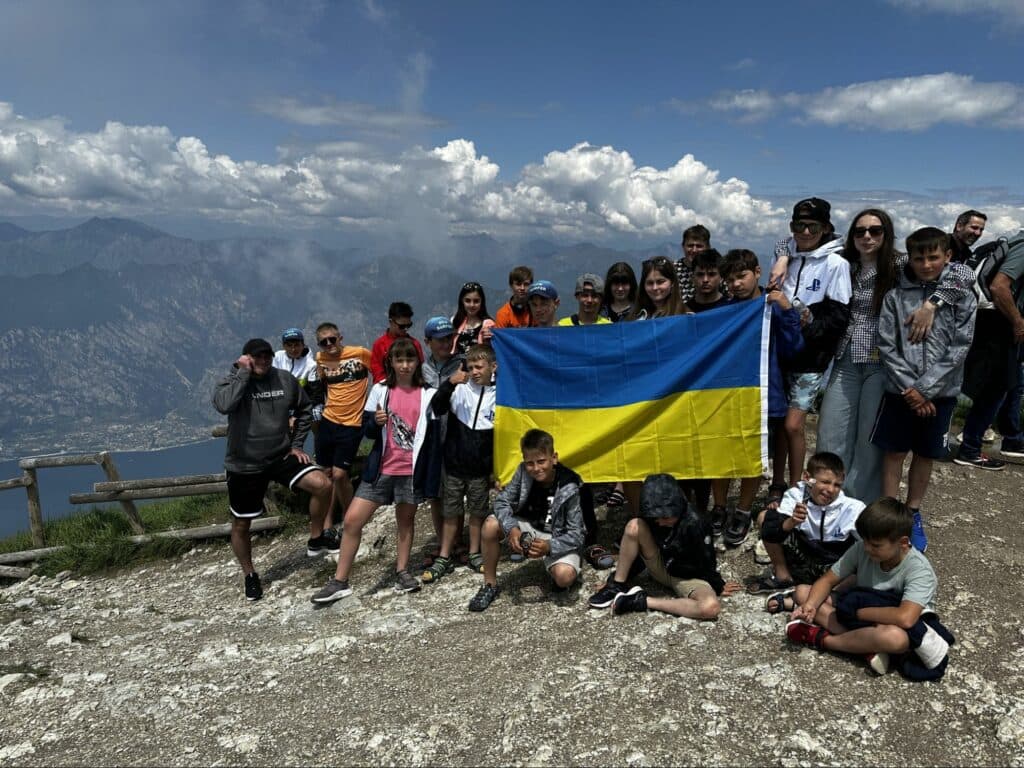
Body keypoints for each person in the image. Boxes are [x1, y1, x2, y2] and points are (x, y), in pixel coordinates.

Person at [816, 210, 975, 503]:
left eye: (875, 231)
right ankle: (826, 499)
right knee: (830, 433)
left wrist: (932, 304)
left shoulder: (901, 264)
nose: (867, 236)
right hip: (846, 356)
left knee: (869, 442)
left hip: (883, 362)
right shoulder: (843, 264)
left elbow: (963, 273)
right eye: (860, 231)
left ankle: (858, 507)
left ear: (886, 234)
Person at [872, 227, 976, 552]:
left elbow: (960, 347)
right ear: (910, 258)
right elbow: (886, 346)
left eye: (934, 257)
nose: (927, 264)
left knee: (926, 453)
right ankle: (889, 514)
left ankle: (913, 511)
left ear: (947, 257)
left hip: (941, 393)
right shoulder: (895, 297)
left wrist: (926, 389)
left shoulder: (962, 298)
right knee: (894, 452)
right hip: (899, 391)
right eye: (920, 258)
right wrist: (911, 389)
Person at [311, 339, 438, 602]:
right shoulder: (380, 390)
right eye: (399, 360)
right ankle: (340, 580)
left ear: (418, 362)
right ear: (390, 362)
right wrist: (375, 422)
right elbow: (367, 429)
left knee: (406, 521)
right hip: (382, 467)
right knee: (352, 519)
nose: (404, 366)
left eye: (410, 360)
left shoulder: (429, 394)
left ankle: (402, 571)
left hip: (411, 470)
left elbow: (433, 436)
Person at [212, 338, 333, 601]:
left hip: (280, 456)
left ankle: (316, 539)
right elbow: (224, 405)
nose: (264, 361)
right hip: (244, 463)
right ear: (246, 358)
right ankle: (250, 575)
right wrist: (243, 373)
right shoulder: (232, 380)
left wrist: (297, 444)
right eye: (257, 357)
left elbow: (304, 409)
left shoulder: (284, 379)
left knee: (323, 484)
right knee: (242, 523)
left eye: (267, 356)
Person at [786, 498, 951, 678]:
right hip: (862, 607)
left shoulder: (919, 570)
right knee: (803, 592)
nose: (867, 548)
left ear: (903, 543)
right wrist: (810, 605)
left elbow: (906, 618)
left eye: (876, 545)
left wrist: (858, 613)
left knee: (895, 639)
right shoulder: (862, 549)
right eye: (865, 541)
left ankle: (824, 640)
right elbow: (827, 580)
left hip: (891, 622)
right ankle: (864, 646)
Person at [714, 249, 803, 547]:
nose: (736, 284)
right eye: (730, 279)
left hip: (767, 393)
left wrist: (788, 309)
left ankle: (742, 510)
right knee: (724, 453)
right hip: (728, 395)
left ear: (756, 272)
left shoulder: (773, 306)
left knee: (754, 456)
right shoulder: (724, 310)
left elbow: (794, 350)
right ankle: (719, 507)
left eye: (741, 276)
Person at [768, 198, 852, 490]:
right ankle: (778, 482)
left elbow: (838, 318)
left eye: (812, 226)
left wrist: (798, 317)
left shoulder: (836, 264)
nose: (804, 232)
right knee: (780, 423)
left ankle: (794, 487)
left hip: (810, 358)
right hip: (780, 354)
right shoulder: (784, 256)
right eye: (798, 225)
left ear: (826, 227)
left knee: (793, 425)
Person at [587, 474, 740, 618]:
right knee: (634, 526)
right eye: (656, 517)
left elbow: (707, 559)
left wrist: (718, 585)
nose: (660, 521)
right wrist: (616, 579)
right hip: (660, 563)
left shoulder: (695, 523)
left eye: (666, 517)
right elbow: (640, 551)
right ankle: (616, 586)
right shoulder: (652, 517)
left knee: (710, 608)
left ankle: (640, 601)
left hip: (688, 577)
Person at [468, 429, 587, 612]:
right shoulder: (523, 472)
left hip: (557, 537)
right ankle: (489, 585)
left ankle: (560, 570)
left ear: (553, 458)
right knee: (490, 525)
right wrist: (512, 529)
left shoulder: (569, 485)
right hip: (529, 527)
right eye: (530, 463)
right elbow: (502, 501)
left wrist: (549, 546)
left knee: (564, 577)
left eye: (541, 461)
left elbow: (577, 534)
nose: (536, 468)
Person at [422, 344, 497, 582]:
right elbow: (437, 406)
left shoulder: (501, 394)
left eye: (479, 366)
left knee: (477, 513)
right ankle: (444, 555)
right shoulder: (459, 390)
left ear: (493, 367)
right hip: (454, 465)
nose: (474, 371)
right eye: (471, 367)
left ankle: (474, 553)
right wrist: (450, 383)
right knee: (451, 513)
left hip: (480, 469)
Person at [756, 452, 864, 606]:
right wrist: (791, 522)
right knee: (765, 517)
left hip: (834, 567)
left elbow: (871, 544)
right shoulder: (795, 496)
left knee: (860, 569)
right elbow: (769, 532)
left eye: (837, 485)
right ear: (807, 478)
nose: (831, 490)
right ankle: (784, 577)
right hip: (803, 556)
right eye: (825, 482)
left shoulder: (853, 508)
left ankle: (802, 598)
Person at [955, 228, 1024, 470]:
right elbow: (999, 287)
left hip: (993, 322)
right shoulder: (1023, 248)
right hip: (998, 324)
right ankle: (970, 448)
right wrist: (1018, 321)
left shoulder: (1014, 242)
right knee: (996, 388)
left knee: (1012, 382)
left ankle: (1013, 440)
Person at [309, 322, 372, 531]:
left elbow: (381, 372)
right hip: (328, 421)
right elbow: (321, 384)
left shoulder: (360, 354)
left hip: (352, 423)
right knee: (326, 474)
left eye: (332, 339)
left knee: (340, 474)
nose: (329, 345)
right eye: (323, 342)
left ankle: (350, 516)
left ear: (340, 338)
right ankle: (327, 522)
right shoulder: (320, 359)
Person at [421, 316, 466, 565]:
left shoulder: (464, 364)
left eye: (449, 337)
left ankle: (456, 541)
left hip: (457, 438)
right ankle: (443, 542)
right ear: (428, 342)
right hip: (430, 439)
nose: (446, 343)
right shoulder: (421, 370)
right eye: (439, 340)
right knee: (436, 493)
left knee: (455, 492)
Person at [273, 326, 321, 438]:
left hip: (305, 402)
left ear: (303, 345)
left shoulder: (310, 365)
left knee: (316, 415)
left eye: (296, 345)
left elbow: (316, 394)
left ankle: (319, 444)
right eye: (289, 346)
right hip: (282, 401)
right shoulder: (277, 358)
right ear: (283, 346)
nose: (293, 349)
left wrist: (296, 415)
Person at [369, 302, 424, 383]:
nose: (406, 329)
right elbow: (377, 373)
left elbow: (420, 370)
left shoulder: (415, 344)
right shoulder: (379, 345)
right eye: (402, 326)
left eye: (409, 325)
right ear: (391, 322)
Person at [451, 281, 496, 354]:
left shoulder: (488, 326)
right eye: (468, 301)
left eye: (476, 301)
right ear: (462, 301)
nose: (472, 305)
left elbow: (492, 352)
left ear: (482, 302)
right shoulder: (455, 322)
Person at [674, 224, 712, 303]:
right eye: (690, 245)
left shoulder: (716, 270)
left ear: (708, 247)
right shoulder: (673, 269)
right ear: (683, 246)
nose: (694, 250)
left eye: (699, 246)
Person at [686, 249, 729, 313]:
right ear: (692, 277)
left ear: (721, 277)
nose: (705, 280)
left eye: (711, 274)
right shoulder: (684, 310)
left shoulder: (730, 309)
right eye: (700, 274)